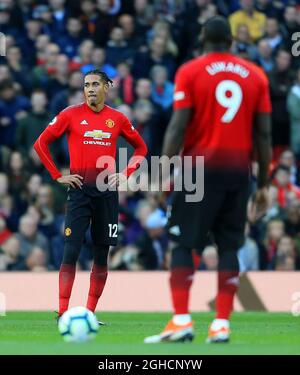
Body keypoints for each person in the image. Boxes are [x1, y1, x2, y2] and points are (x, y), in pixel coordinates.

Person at [144, 16, 271, 344]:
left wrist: (162, 172)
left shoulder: (190, 71)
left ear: (202, 40)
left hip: (196, 171)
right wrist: (264, 185)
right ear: (232, 41)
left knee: (184, 243)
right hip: (238, 172)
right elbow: (264, 134)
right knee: (230, 245)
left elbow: (177, 125)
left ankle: (182, 320)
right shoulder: (256, 75)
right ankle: (221, 325)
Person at [33, 70, 147, 321]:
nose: (90, 89)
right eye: (86, 85)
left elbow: (141, 148)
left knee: (101, 256)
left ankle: (90, 313)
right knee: (70, 252)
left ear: (107, 87)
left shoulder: (117, 119)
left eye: (95, 84)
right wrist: (56, 176)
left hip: (107, 195)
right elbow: (40, 144)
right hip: (79, 194)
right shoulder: (70, 114)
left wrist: (126, 171)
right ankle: (63, 312)